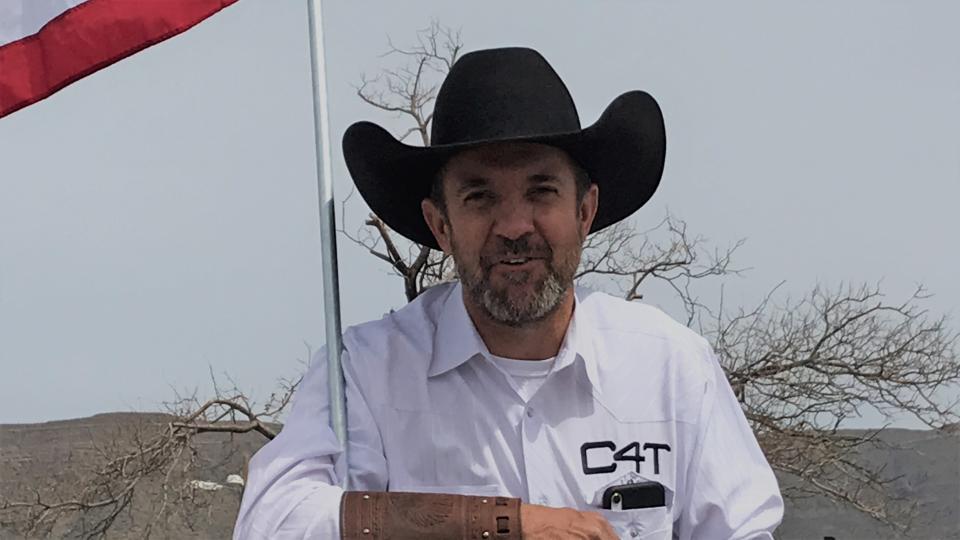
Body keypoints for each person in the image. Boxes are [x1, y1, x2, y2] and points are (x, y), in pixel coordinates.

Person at [234, 47, 783, 540]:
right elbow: (273, 522)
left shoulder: (673, 367)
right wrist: (509, 525)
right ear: (440, 225)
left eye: (541, 190)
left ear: (584, 211)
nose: (514, 225)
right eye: (479, 196)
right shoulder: (365, 371)